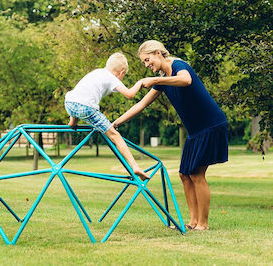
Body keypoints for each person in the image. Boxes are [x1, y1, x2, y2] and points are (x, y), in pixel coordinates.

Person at [112, 40, 228, 231]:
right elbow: (140, 105)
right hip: (195, 131)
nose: (147, 65)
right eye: (144, 63)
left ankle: (203, 224)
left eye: (147, 60)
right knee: (184, 174)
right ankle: (192, 222)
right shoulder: (163, 79)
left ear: (158, 53)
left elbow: (186, 80)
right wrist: (115, 123)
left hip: (210, 125)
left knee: (196, 174)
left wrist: (156, 80)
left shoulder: (178, 65)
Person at [65, 52, 150, 181]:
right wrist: (140, 82)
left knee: (79, 104)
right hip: (87, 108)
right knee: (115, 135)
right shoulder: (112, 78)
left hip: (69, 103)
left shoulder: (97, 72)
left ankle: (72, 122)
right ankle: (135, 166)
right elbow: (130, 94)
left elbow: (82, 92)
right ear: (121, 73)